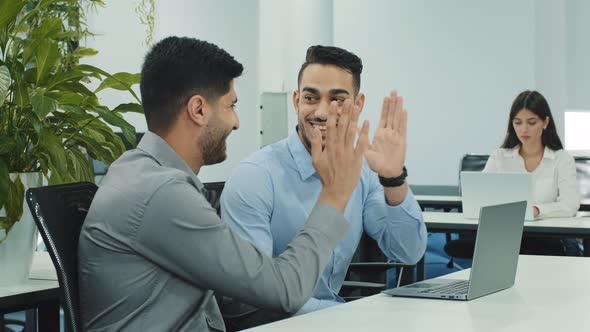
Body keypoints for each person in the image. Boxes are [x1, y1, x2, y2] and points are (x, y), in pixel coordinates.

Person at [78, 37, 371, 331]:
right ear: (199, 110)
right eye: (231, 105)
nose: (237, 122)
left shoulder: (144, 175)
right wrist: (335, 193)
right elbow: (285, 291)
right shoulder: (161, 194)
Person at [221, 45, 427, 317]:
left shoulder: (363, 170)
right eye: (310, 97)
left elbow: (407, 252)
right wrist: (346, 316)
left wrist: (393, 178)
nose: (321, 112)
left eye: (338, 100)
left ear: (359, 104)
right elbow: (250, 294)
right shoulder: (255, 176)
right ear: (296, 100)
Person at [484, 90, 581, 255]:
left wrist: (536, 211)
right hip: (506, 235)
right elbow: (481, 196)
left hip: (550, 237)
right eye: (518, 122)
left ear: (545, 122)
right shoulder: (499, 157)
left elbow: (570, 205)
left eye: (531, 122)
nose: (524, 129)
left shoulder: (562, 159)